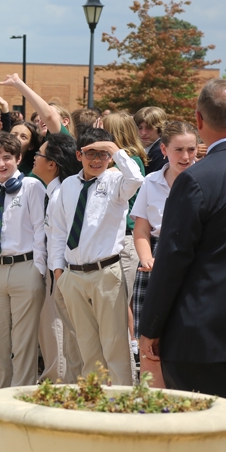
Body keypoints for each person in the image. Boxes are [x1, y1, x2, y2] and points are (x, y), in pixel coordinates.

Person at [139, 79, 226, 396]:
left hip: (202, 338)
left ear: (199, 120)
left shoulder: (194, 180)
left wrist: (150, 327)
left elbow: (173, 257)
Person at [50, 128, 143, 386]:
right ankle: (95, 401)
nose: (97, 160)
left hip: (106, 273)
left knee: (115, 345)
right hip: (74, 275)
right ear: (79, 155)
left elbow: (136, 180)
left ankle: (121, 402)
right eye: (91, 153)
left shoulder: (115, 182)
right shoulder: (67, 186)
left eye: (103, 154)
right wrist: (59, 271)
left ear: (110, 158)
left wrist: (115, 149)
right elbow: (57, 231)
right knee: (86, 345)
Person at [0, 132, 46, 394]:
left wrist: (38, 268)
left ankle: (21, 394)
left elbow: (40, 229)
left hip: (25, 267)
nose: (1, 164)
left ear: (18, 158)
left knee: (24, 338)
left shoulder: (32, 187)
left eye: (7, 158)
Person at [130, 121, 198, 349]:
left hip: (194, 257)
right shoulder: (151, 182)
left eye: (191, 149)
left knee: (185, 334)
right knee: (148, 338)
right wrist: (146, 258)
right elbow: (141, 228)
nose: (186, 156)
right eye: (178, 149)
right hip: (154, 259)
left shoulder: (207, 179)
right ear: (164, 150)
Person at [32, 132, 83, 384]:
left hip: (60, 272)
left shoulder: (61, 192)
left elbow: (60, 239)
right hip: (57, 271)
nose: (34, 157)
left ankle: (58, 383)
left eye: (39, 154)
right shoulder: (55, 190)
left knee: (57, 331)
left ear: (52, 164)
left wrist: (57, 272)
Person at [102, 112, 149, 356]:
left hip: (126, 237)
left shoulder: (129, 160)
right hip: (119, 237)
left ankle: (130, 348)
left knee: (121, 300)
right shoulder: (130, 158)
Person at [134, 107, 168, 174]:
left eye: (149, 128)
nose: (143, 133)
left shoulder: (160, 152)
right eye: (139, 128)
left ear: (160, 128)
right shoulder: (142, 149)